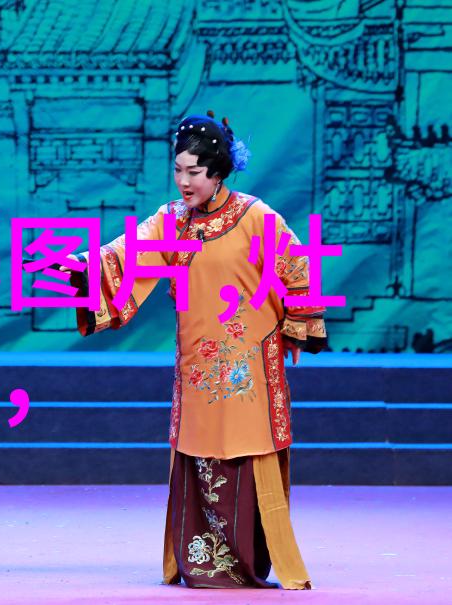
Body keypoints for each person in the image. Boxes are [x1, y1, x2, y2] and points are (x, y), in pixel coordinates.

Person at [69, 112, 325, 589]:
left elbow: (297, 267)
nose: (184, 182)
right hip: (197, 365)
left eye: (195, 172)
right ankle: (204, 562)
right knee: (198, 453)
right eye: (178, 170)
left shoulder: (256, 217)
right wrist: (84, 265)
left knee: (248, 453)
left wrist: (294, 328)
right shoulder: (173, 220)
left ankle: (249, 562)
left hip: (249, 363)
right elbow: (129, 250)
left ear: (219, 171)